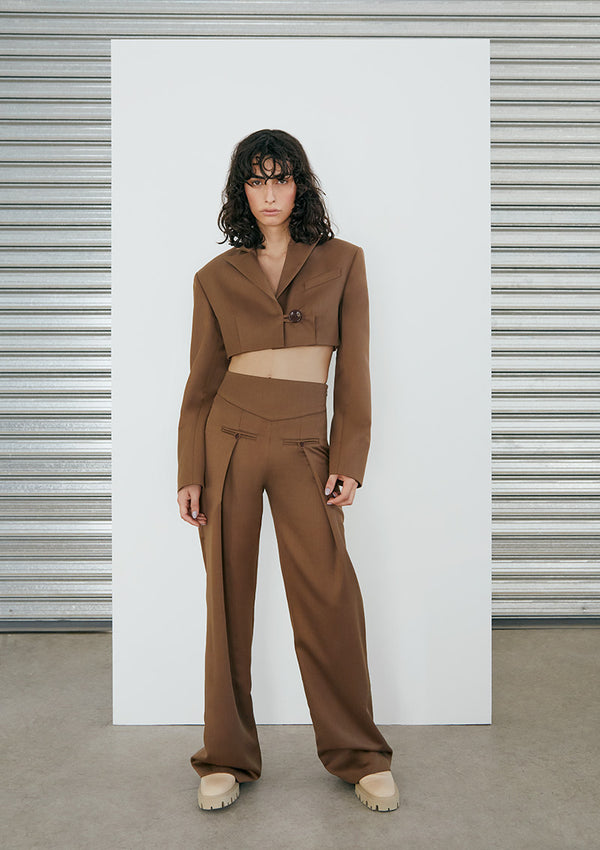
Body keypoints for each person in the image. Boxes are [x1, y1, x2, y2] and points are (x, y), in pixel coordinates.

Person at [176, 129, 399, 813]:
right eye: (255, 180)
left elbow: (354, 370)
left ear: (299, 185)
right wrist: (190, 469)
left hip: (306, 441)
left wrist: (349, 459)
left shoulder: (343, 260)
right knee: (226, 601)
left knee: (329, 595)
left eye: (280, 178)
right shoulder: (214, 277)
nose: (268, 192)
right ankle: (225, 756)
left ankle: (359, 754)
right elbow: (201, 383)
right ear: (240, 191)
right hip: (229, 439)